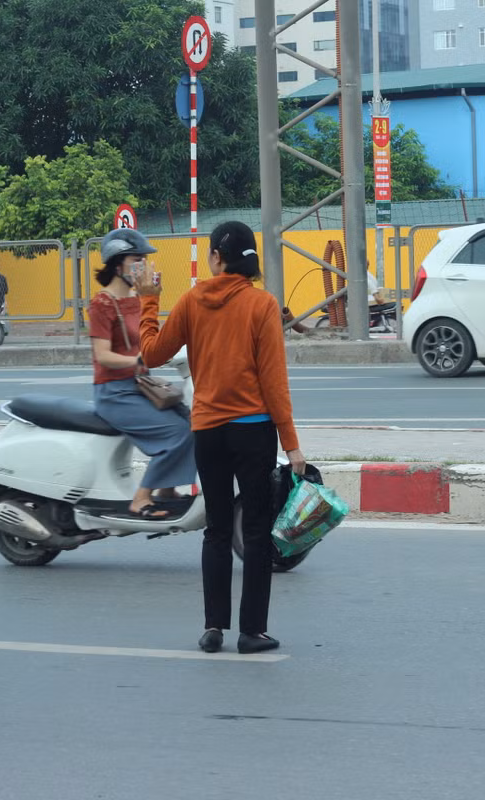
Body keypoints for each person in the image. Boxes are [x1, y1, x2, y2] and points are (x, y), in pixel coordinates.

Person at [136, 220, 306, 656]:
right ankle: (252, 632)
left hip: (208, 429)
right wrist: (291, 444)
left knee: (215, 529)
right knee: (254, 531)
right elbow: (274, 381)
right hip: (253, 431)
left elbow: (152, 354)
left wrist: (148, 301)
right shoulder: (262, 304)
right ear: (250, 261)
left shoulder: (192, 302)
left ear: (215, 257)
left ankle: (213, 628)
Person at [88, 228, 196, 520]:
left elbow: (149, 339)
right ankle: (141, 498)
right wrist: (137, 359)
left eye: (144, 260)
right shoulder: (102, 303)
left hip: (140, 386)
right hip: (114, 392)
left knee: (193, 422)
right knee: (176, 433)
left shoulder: (137, 299)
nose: (144, 267)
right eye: (138, 260)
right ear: (117, 262)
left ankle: (167, 490)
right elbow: (102, 355)